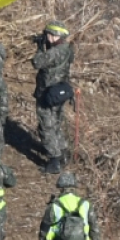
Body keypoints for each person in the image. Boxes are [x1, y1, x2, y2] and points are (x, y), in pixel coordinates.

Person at [32, 20, 74, 174]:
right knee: (56, 123)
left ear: (54, 35)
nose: (46, 37)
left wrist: (39, 48)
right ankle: (63, 152)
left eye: (48, 35)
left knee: (46, 126)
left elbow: (37, 62)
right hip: (59, 92)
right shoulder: (67, 49)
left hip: (47, 93)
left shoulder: (54, 52)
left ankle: (54, 160)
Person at [39, 172, 101, 240]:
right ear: (75, 187)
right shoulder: (86, 204)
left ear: (60, 187)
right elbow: (95, 229)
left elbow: (43, 232)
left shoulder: (54, 206)